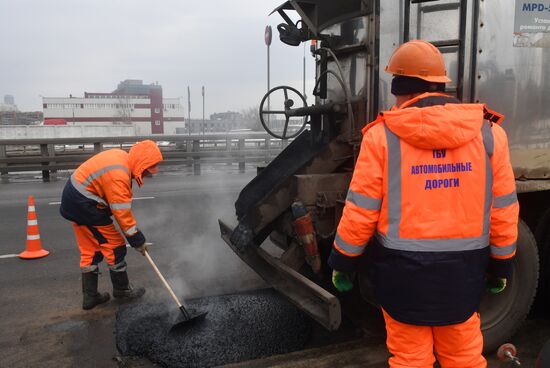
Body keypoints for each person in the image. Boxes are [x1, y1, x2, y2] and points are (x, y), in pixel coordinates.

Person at [328, 40, 519, 367]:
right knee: (463, 357)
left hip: (401, 275)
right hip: (463, 274)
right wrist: (501, 264)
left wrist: (344, 261)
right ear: (440, 85)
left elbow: (361, 209)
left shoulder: (382, 136)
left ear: (400, 88)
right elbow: (502, 208)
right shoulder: (489, 135)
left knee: (410, 359)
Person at [60, 140, 163, 310]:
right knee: (115, 245)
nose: (148, 175)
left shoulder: (122, 158)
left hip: (75, 200)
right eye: (147, 170)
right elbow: (122, 214)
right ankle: (122, 290)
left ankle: (90, 297)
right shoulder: (119, 175)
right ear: (141, 163)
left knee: (91, 250)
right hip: (85, 204)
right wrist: (137, 240)